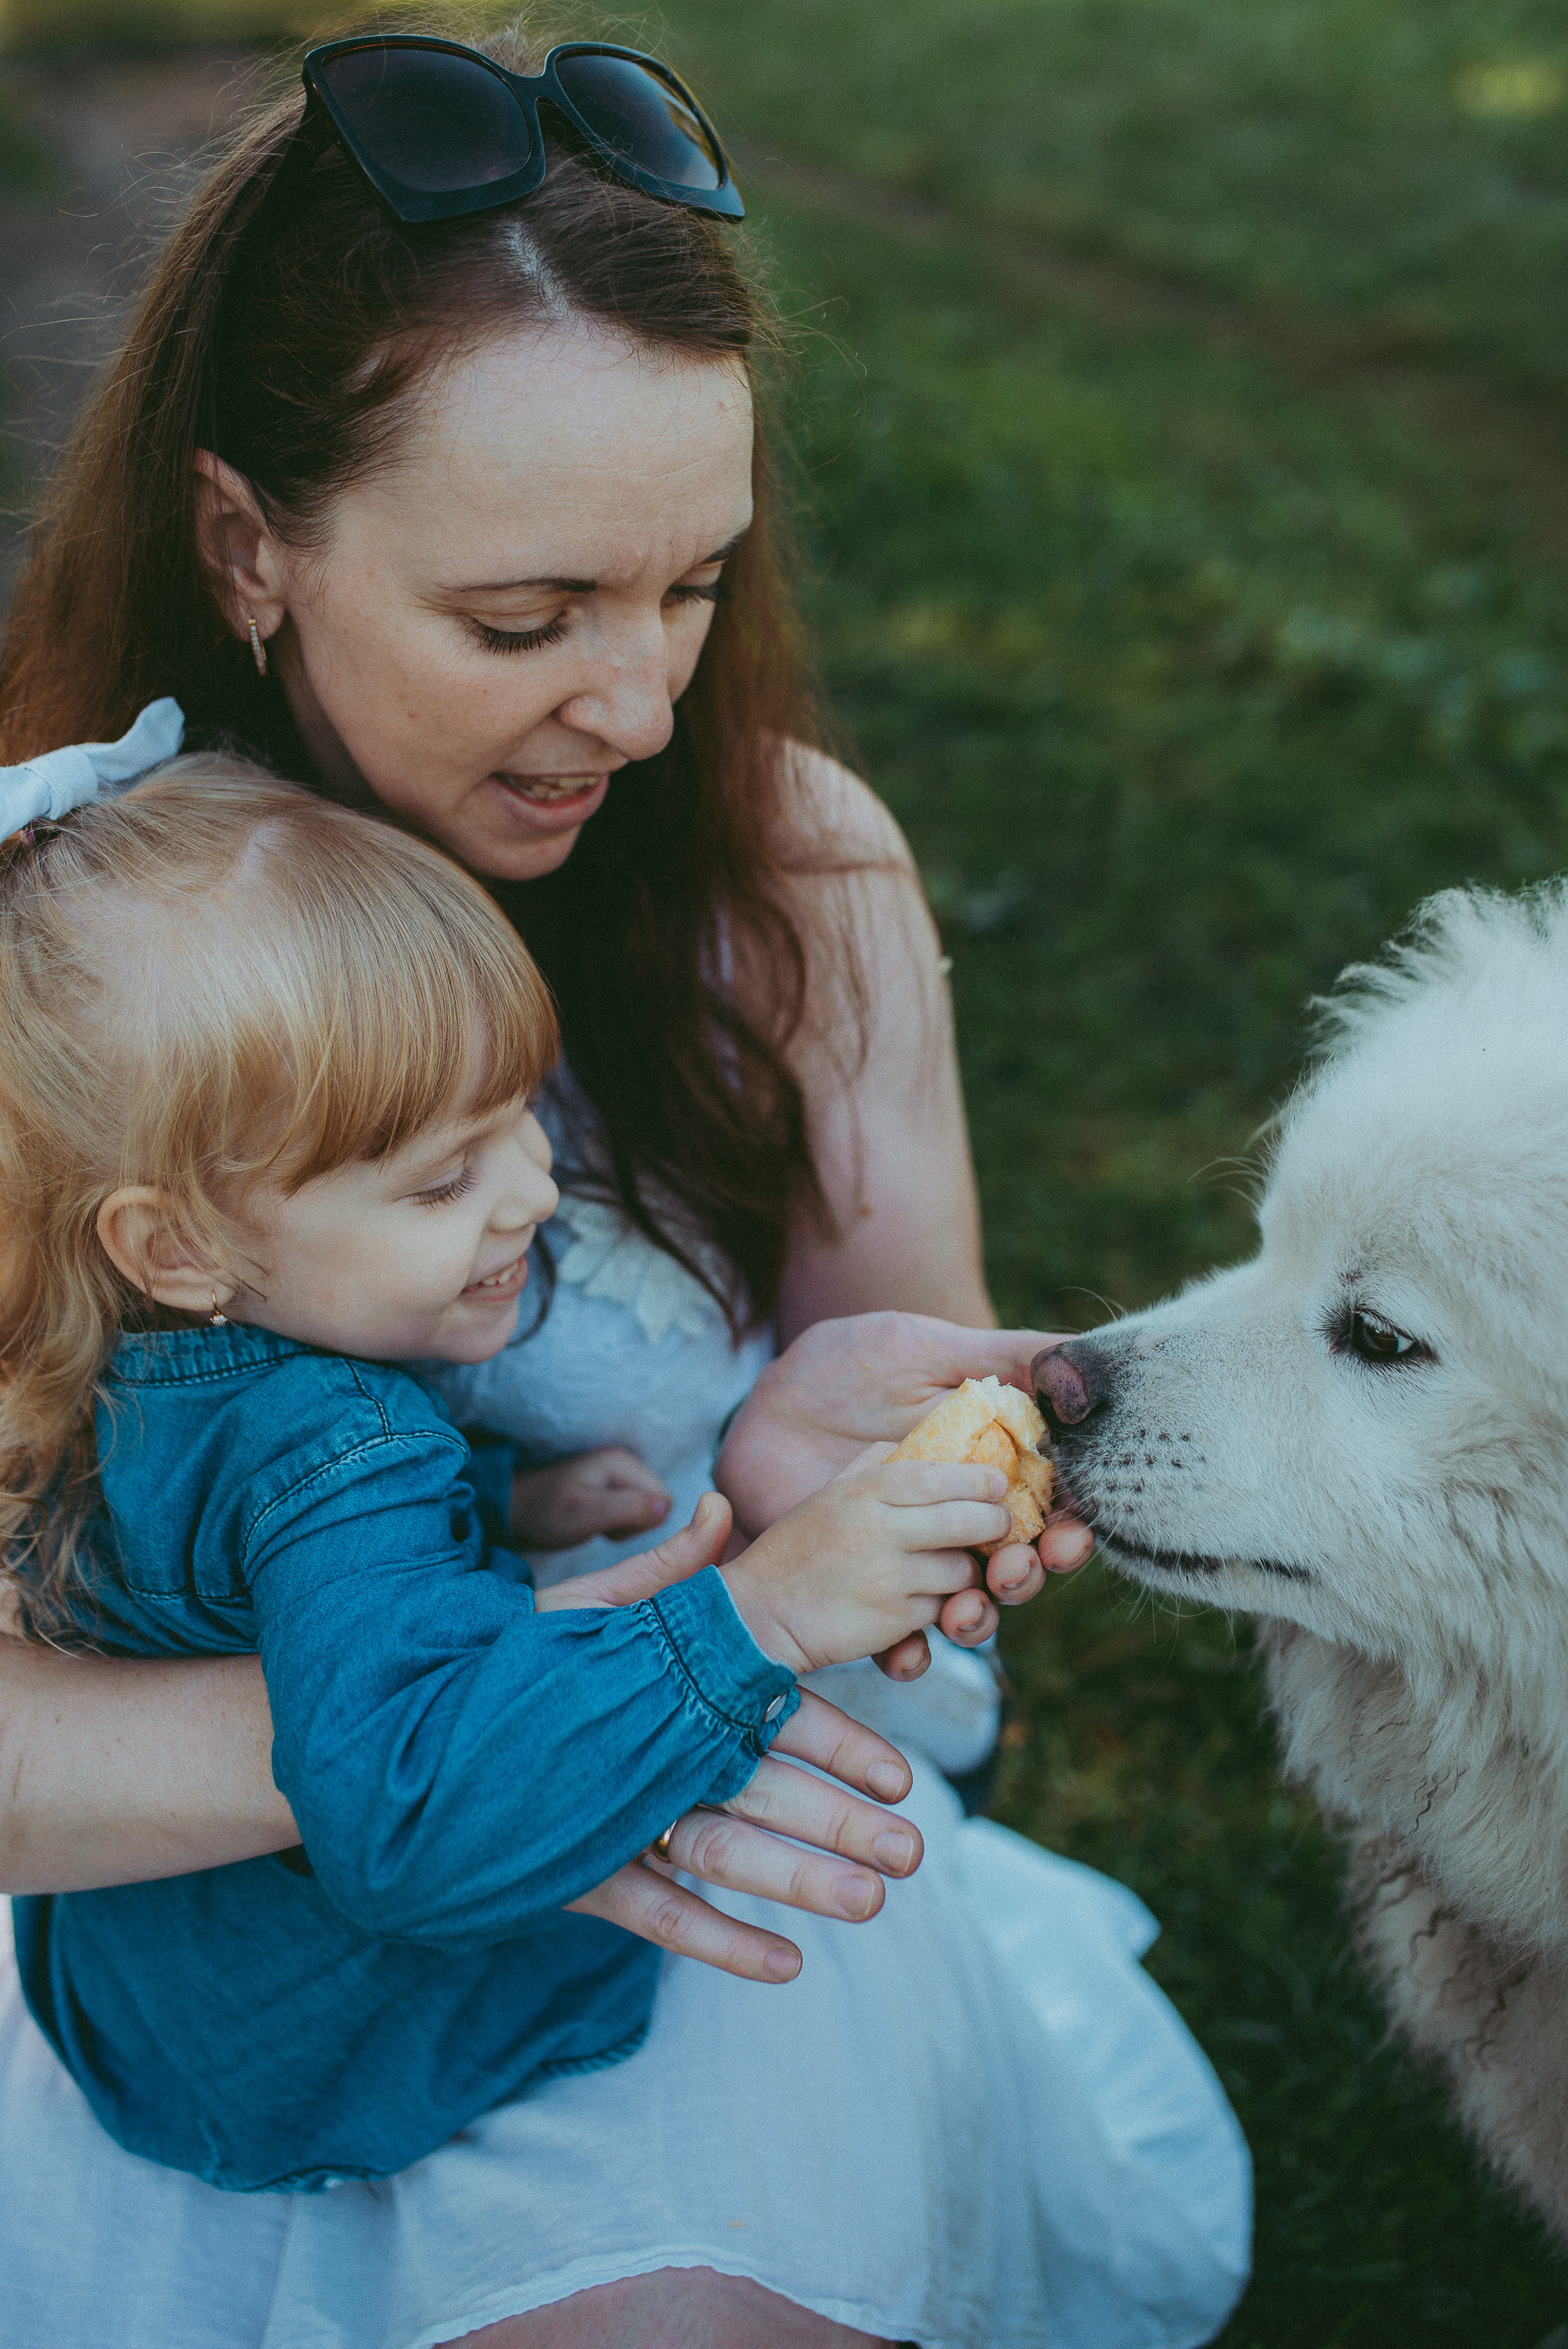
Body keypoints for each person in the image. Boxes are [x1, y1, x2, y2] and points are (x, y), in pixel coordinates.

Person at [0, 20, 1250, 2344]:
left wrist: (806, 1475)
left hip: (694, 1892)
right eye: (525, 619)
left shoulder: (784, 880)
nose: (645, 704)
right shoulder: (43, 963)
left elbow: (895, 1620)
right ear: (246, 544)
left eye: (689, 586)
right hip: (178, 1944)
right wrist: (527, 1720)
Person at [5, 754, 1019, 2193]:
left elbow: (232, 1557)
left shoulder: (130, 1356)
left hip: (144, 1998)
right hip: (318, 2051)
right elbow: (407, 1813)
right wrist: (763, 1616)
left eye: (518, 1119)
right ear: (175, 1244)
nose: (535, 1194)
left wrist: (505, 1507)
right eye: (440, 1182)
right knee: (769, 1992)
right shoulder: (341, 1450)